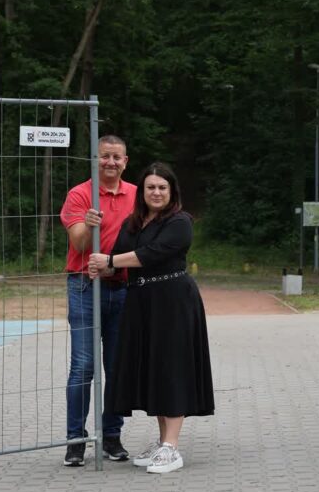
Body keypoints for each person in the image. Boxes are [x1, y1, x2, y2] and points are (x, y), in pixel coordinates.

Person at [87, 162, 214, 474]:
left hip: (173, 302)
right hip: (142, 303)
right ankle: (162, 441)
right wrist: (101, 265)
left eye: (162, 187)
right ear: (141, 192)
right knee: (155, 371)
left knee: (172, 368)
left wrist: (112, 260)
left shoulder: (181, 222)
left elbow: (150, 255)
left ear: (171, 192)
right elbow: (116, 261)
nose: (156, 192)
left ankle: (172, 447)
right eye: (150, 187)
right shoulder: (134, 224)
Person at [60, 135, 136, 467]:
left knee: (118, 367)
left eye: (116, 157)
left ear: (125, 161)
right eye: (105, 156)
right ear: (96, 159)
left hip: (124, 288)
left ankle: (111, 436)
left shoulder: (137, 194)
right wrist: (87, 226)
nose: (110, 162)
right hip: (84, 287)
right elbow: (77, 243)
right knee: (83, 366)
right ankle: (76, 440)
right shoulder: (80, 194)